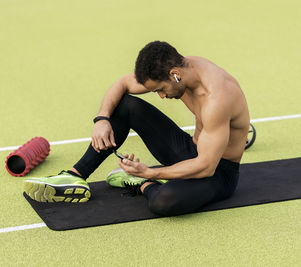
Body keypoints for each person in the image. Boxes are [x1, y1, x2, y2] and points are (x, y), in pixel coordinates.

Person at [23, 41, 250, 216]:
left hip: (218, 172)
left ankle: (143, 183)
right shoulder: (177, 67)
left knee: (163, 202)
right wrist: (101, 119)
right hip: (191, 149)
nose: (161, 96)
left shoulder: (217, 98)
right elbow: (123, 83)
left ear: (175, 75)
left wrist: (151, 173)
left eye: (160, 89)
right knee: (126, 106)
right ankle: (75, 175)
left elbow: (206, 167)